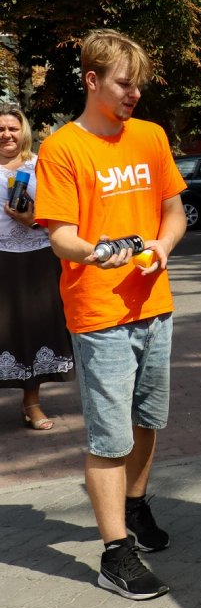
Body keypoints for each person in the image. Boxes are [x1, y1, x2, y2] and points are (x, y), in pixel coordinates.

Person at [35, 30, 188, 602]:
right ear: (92, 80)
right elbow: (61, 238)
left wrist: (163, 247)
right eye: (125, 84)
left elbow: (173, 214)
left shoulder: (149, 137)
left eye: (139, 85)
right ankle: (114, 555)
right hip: (100, 314)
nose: (135, 95)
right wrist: (104, 251)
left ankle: (135, 506)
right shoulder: (62, 148)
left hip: (156, 306)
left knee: (148, 420)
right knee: (109, 436)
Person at [1, 103, 75, 430]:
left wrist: (31, 220)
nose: (6, 134)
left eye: (12, 128)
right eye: (1, 128)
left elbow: (61, 215)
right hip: (0, 256)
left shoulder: (40, 166)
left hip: (37, 256)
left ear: (23, 131)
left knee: (32, 329)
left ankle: (32, 403)